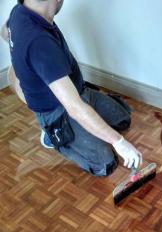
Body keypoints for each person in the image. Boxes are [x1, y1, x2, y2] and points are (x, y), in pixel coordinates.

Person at [0, 0, 143, 176]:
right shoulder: (39, 43)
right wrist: (119, 142)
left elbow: (5, 33)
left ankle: (87, 125)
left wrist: (23, 64)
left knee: (123, 119)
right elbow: (74, 107)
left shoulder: (20, 10)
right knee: (106, 164)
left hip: (76, 90)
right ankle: (53, 137)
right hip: (57, 111)